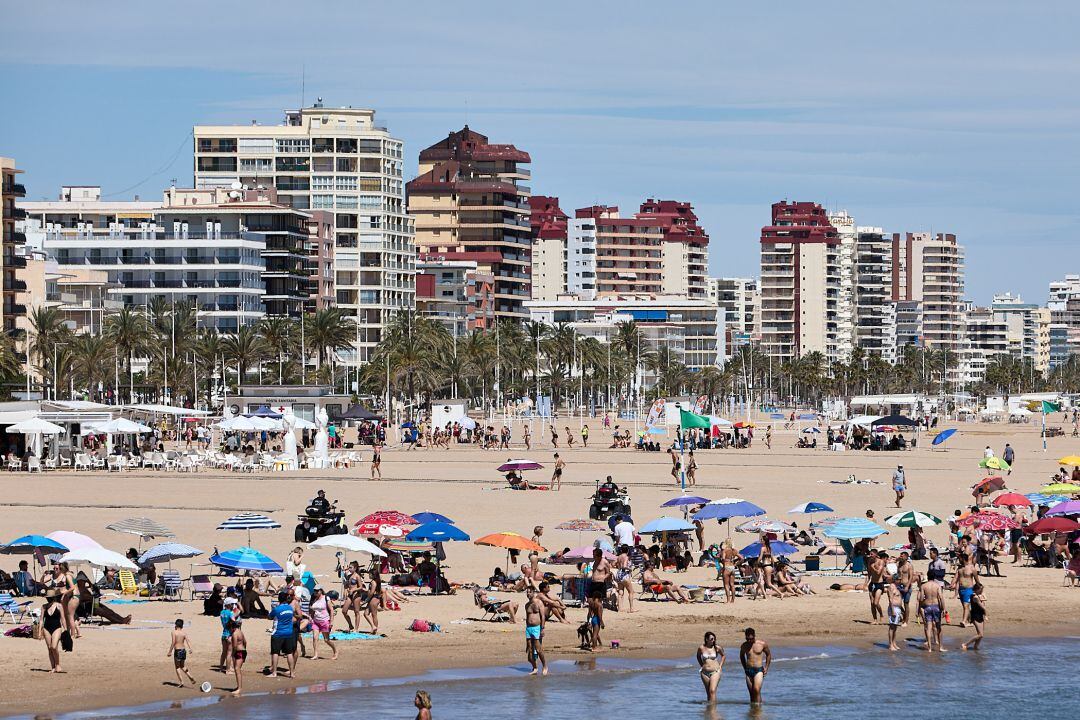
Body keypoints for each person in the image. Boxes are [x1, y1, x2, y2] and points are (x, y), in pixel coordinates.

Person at [586, 546, 611, 650]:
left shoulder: (604, 562)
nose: (593, 557)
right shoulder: (594, 562)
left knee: (598, 603)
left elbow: (609, 572)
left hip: (600, 584)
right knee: (590, 602)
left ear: (599, 555)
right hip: (593, 583)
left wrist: (603, 578)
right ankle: (592, 619)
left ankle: (598, 620)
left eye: (595, 555)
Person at [268, 591, 297, 678]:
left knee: (275, 653)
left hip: (278, 633)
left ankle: (274, 673)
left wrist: (272, 610)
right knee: (289, 653)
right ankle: (292, 673)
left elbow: (269, 617)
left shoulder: (277, 609)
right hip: (289, 633)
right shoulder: (290, 608)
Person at [739, 627, 771, 705]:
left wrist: (766, 667)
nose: (749, 641)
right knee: (752, 694)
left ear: (754, 636)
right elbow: (741, 656)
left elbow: (768, 655)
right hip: (748, 671)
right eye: (747, 639)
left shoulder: (762, 644)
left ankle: (758, 712)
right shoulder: (744, 645)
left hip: (759, 670)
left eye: (751, 639)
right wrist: (744, 667)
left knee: (756, 690)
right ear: (745, 637)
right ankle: (754, 712)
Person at [917, 575, 946, 652]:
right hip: (936, 607)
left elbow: (921, 598)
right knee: (938, 627)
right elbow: (941, 597)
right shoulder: (937, 585)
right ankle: (940, 647)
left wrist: (919, 608)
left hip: (928, 607)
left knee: (928, 627)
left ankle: (929, 648)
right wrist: (944, 609)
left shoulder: (924, 586)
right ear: (934, 577)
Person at [41, 588, 66, 673]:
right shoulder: (44, 607)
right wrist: (40, 630)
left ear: (54, 597)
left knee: (54, 646)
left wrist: (65, 630)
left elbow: (63, 619)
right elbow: (41, 620)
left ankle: (58, 664)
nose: (48, 599)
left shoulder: (59, 606)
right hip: (46, 628)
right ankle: (53, 667)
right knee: (49, 648)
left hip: (57, 628)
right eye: (47, 597)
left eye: (50, 597)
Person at [525, 585, 548, 675]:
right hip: (529, 628)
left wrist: (542, 628)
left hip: (537, 628)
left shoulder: (539, 603)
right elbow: (527, 618)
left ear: (533, 592)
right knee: (529, 650)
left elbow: (543, 616)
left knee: (538, 649)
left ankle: (545, 666)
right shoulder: (527, 605)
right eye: (527, 592)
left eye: (529, 592)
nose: (528, 594)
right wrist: (527, 628)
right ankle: (534, 668)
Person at [309, 587, 337, 660]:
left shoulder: (326, 598)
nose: (315, 592)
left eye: (317, 591)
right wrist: (310, 618)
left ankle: (335, 651)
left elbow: (331, 610)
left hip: (325, 621)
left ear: (321, 591)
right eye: (314, 590)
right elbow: (311, 610)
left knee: (326, 640)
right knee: (315, 638)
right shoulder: (313, 598)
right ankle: (315, 654)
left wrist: (331, 621)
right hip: (316, 621)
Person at [697, 631, 725, 703]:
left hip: (715, 672)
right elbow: (698, 656)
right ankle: (709, 710)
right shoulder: (701, 648)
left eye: (714, 639)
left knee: (712, 691)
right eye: (711, 639)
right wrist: (702, 665)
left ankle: (713, 710)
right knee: (708, 693)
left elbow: (723, 656)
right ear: (706, 639)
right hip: (704, 673)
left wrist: (720, 666)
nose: (713, 640)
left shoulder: (717, 648)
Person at [167, 619, 196, 686]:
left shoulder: (174, 632)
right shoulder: (184, 633)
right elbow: (188, 641)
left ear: (176, 625)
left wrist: (170, 651)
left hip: (177, 650)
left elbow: (173, 642)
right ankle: (190, 676)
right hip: (183, 651)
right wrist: (190, 648)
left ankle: (181, 682)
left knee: (177, 667)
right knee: (182, 665)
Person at [955, 553, 979, 627]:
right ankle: (970, 621)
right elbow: (957, 579)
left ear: (963, 559)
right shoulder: (959, 569)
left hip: (969, 589)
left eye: (960, 559)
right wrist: (954, 587)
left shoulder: (972, 568)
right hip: (961, 590)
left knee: (966, 606)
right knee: (965, 607)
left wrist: (979, 590)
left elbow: (977, 580)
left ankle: (964, 621)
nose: (959, 560)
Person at [961, 582, 987, 651]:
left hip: (981, 615)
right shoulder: (975, 597)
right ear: (976, 589)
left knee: (981, 635)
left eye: (982, 589)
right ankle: (965, 644)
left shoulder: (978, 595)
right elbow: (983, 607)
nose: (982, 591)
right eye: (981, 589)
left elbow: (983, 605)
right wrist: (986, 615)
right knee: (980, 635)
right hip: (976, 616)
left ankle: (976, 647)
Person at [219, 596, 238, 673]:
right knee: (229, 653)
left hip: (224, 634)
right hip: (229, 635)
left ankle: (221, 668)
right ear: (229, 604)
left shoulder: (222, 612)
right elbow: (234, 622)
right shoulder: (230, 613)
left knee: (224, 652)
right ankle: (228, 669)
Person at [229, 618, 247, 696]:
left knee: (237, 669)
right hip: (242, 651)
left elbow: (235, 646)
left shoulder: (235, 634)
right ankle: (238, 687)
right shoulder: (240, 631)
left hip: (239, 652)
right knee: (237, 670)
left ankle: (239, 688)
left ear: (232, 627)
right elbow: (245, 642)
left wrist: (233, 654)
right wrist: (244, 649)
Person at [884, 581, 903, 651]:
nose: (901, 580)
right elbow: (890, 600)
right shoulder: (891, 587)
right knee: (892, 627)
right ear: (896, 580)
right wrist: (892, 611)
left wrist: (901, 612)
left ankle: (894, 643)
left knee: (895, 627)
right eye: (899, 579)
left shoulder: (897, 588)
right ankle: (890, 645)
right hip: (893, 609)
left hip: (897, 609)